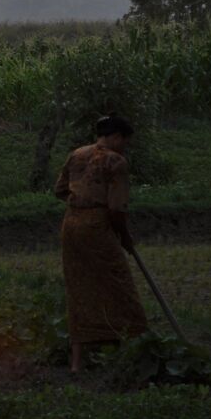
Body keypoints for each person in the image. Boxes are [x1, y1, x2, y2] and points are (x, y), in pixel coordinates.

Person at [54, 113, 148, 374]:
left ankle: (76, 363)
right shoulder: (116, 161)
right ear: (116, 137)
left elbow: (60, 190)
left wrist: (82, 203)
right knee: (120, 285)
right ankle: (139, 346)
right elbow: (117, 208)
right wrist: (124, 236)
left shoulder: (77, 154)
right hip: (96, 225)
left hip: (71, 223)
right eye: (125, 141)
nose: (125, 146)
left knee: (79, 288)